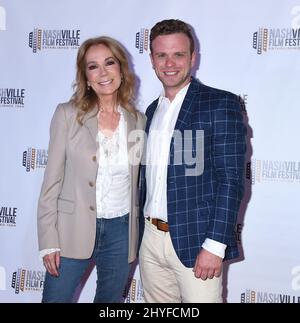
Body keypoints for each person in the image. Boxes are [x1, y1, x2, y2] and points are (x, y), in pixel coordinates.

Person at [138, 19, 246, 303]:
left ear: (193, 57)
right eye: (161, 55)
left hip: (197, 241)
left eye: (178, 54)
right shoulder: (150, 112)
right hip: (150, 240)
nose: (169, 63)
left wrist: (214, 245)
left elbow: (231, 181)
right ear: (151, 60)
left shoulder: (220, 104)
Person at [37, 36, 145, 303]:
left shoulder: (138, 120)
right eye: (93, 66)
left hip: (121, 231)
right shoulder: (67, 115)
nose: (103, 72)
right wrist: (49, 240)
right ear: (85, 77)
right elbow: (51, 181)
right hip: (72, 229)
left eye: (109, 63)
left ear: (121, 69)